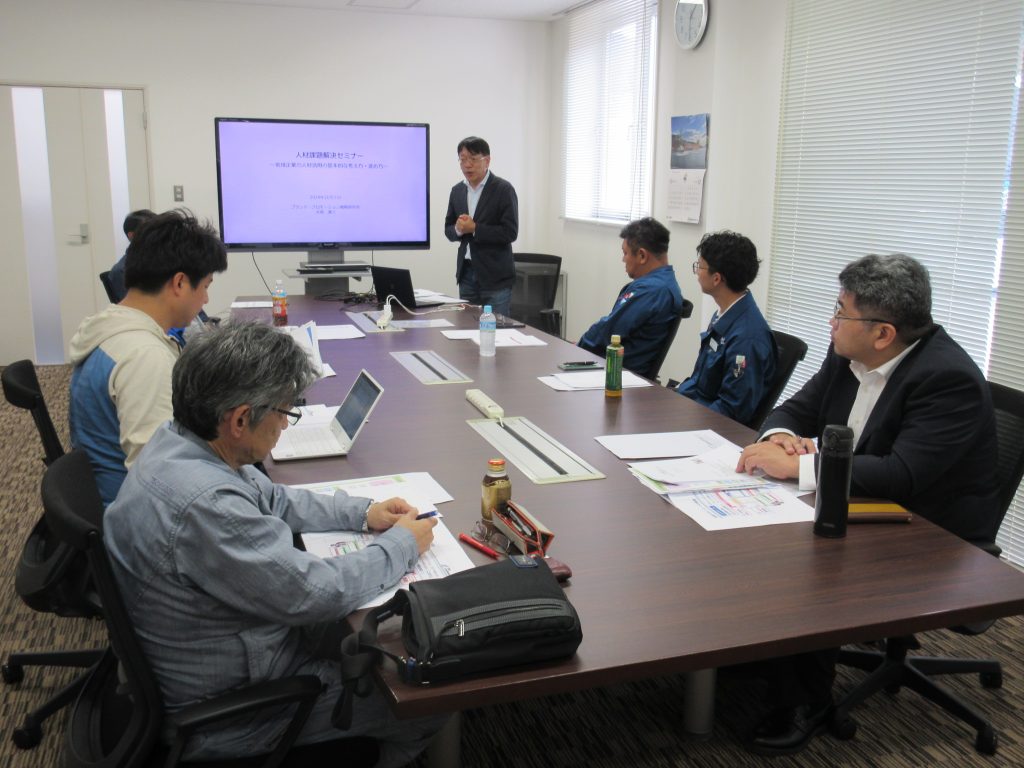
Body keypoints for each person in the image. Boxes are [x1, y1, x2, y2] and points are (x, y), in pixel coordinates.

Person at [103, 322, 446, 765]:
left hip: (215, 657)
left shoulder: (183, 440)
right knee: (427, 696)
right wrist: (401, 545)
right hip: (238, 712)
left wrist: (362, 512)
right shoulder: (208, 504)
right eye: (285, 412)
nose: (286, 424)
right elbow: (319, 593)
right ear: (241, 419)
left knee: (381, 634)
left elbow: (273, 498)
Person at [735, 253, 1001, 756]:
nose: (830, 322)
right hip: (863, 504)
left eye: (840, 312)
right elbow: (795, 407)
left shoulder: (948, 381)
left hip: (929, 532)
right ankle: (762, 653)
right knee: (755, 535)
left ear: (883, 333)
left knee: (804, 562)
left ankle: (805, 700)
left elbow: (901, 474)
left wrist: (800, 467)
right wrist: (784, 437)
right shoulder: (848, 355)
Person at [69, 209, 227, 506]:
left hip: (111, 495)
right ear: (180, 283)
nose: (206, 300)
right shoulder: (144, 357)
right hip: (134, 518)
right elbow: (161, 481)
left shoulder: (111, 325)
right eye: (205, 286)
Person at [676, 231, 777, 425]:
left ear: (716, 279)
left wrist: (684, 418)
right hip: (692, 408)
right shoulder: (724, 315)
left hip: (709, 429)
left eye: (700, 266)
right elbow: (699, 382)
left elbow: (731, 411)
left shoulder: (747, 338)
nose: (697, 273)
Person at [577, 217, 684, 379]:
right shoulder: (664, 284)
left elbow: (608, 331)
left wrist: (577, 347)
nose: (623, 259)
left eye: (625, 253)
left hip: (617, 377)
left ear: (642, 256)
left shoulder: (650, 291)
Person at [444, 136, 518, 316]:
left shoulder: (503, 189)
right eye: (462, 160)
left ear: (487, 160)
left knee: (496, 332)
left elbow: (510, 232)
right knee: (466, 330)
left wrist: (475, 228)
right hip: (466, 274)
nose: (467, 165)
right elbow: (448, 229)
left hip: (495, 277)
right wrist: (458, 230)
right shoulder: (457, 191)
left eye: (473, 159)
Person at [106, 208, 156, 303]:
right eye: (150, 231)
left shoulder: (164, 261)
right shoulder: (122, 271)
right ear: (132, 236)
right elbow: (135, 309)